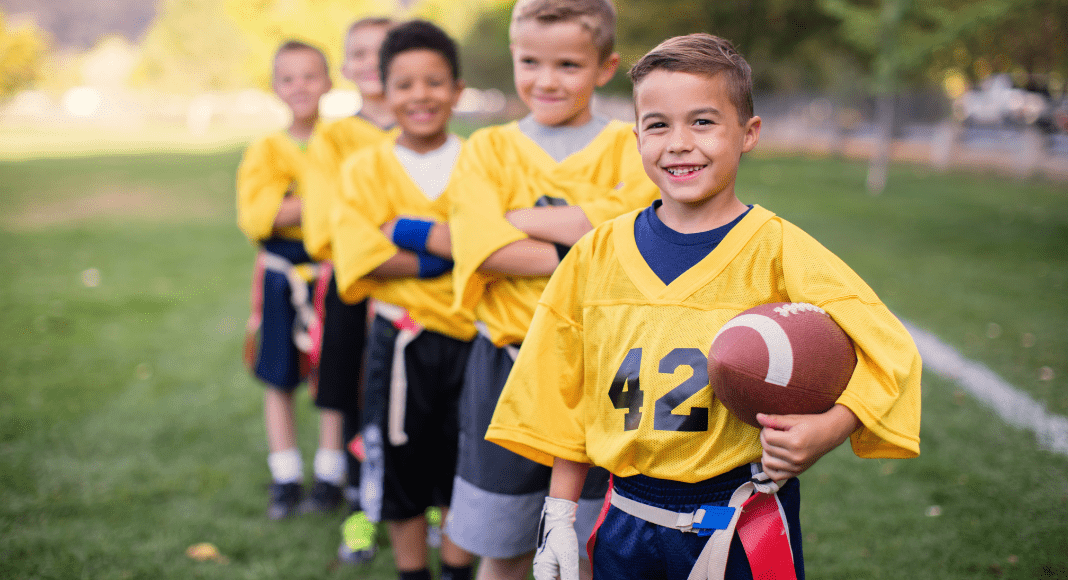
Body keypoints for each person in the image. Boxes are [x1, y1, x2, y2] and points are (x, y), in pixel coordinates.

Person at [485, 33, 923, 580]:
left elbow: (888, 346)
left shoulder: (779, 248)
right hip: (627, 517)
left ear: (748, 133)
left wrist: (832, 426)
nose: (679, 143)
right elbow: (562, 390)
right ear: (636, 136)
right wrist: (559, 512)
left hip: (742, 518)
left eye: (703, 122)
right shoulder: (596, 252)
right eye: (658, 125)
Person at [444, 1, 659, 578]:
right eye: (530, 61)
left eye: (567, 64)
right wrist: (581, 239)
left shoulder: (631, 145)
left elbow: (630, 236)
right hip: (506, 366)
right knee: (503, 546)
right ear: (513, 57)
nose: (546, 79)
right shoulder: (486, 149)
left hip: (603, 373)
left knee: (590, 544)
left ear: (605, 67)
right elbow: (481, 250)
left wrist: (513, 218)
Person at [330, 20, 476, 580]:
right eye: (405, 84)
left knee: (465, 463)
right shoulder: (364, 168)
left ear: (458, 90)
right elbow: (359, 259)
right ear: (383, 91)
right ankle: (412, 571)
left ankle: (459, 569)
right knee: (400, 465)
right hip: (401, 339)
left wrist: (405, 231)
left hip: (473, 337)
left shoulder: (483, 160)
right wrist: (447, 253)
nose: (420, 96)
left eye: (435, 82)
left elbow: (492, 240)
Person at [300, 16, 396, 564]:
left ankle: (426, 504)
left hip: (421, 291)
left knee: (419, 404)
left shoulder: (428, 131)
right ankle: (360, 509)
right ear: (344, 66)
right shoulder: (334, 137)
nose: (370, 63)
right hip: (355, 287)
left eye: (382, 52)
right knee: (360, 397)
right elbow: (325, 223)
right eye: (358, 53)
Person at [235, 40, 334, 520]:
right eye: (289, 78)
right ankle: (286, 473)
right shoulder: (266, 149)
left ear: (329, 82)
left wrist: (294, 203)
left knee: (333, 373)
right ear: (275, 87)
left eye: (310, 76)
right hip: (280, 276)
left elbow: (359, 204)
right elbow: (259, 216)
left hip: (330, 273)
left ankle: (333, 472)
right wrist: (319, 205)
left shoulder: (341, 143)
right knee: (279, 376)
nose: (300, 87)